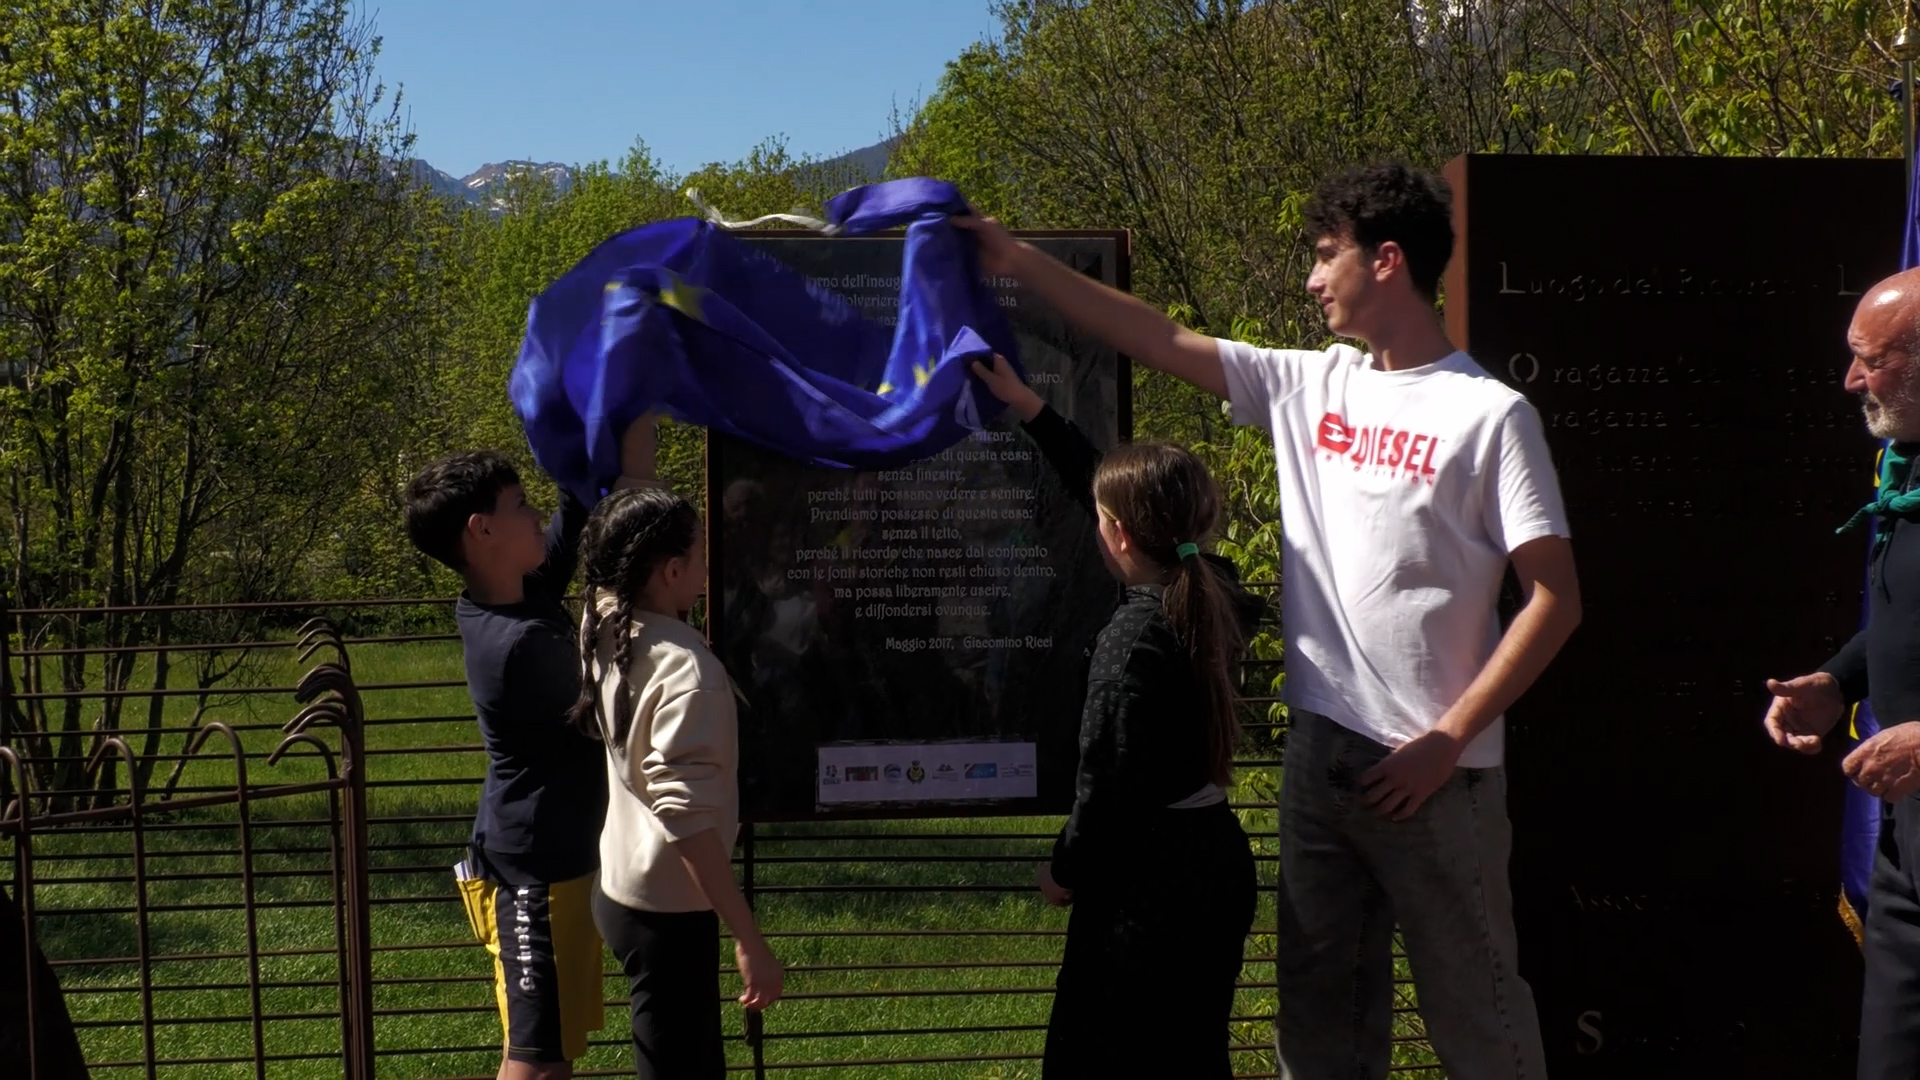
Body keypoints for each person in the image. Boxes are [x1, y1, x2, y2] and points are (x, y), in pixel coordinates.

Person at [956, 161, 1582, 1079]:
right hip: (1318, 760)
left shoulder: (1490, 416)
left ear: (1388, 261)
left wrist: (1448, 740)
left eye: (1327, 256)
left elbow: (1557, 599)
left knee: (1479, 1023)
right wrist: (1014, 259)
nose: (1311, 278)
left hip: (1441, 780)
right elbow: (1156, 335)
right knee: (1318, 1030)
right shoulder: (1308, 386)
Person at [404, 417, 659, 1080]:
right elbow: (611, 708)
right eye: (520, 507)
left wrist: (611, 419)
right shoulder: (513, 644)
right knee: (536, 1063)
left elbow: (572, 517)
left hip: (560, 869)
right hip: (530, 882)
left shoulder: (506, 599)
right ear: (480, 531)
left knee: (555, 1054)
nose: (536, 515)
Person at [566, 485, 784, 1079]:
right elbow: (684, 819)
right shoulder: (686, 670)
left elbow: (619, 533)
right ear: (669, 570)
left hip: (618, 889)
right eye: (701, 552)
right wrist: (748, 938)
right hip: (669, 913)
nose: (710, 564)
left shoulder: (604, 617)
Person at [1764, 265, 1920, 1080]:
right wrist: (1838, 682)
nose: (1851, 379)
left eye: (1872, 358)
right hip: (1907, 859)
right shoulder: (1910, 466)